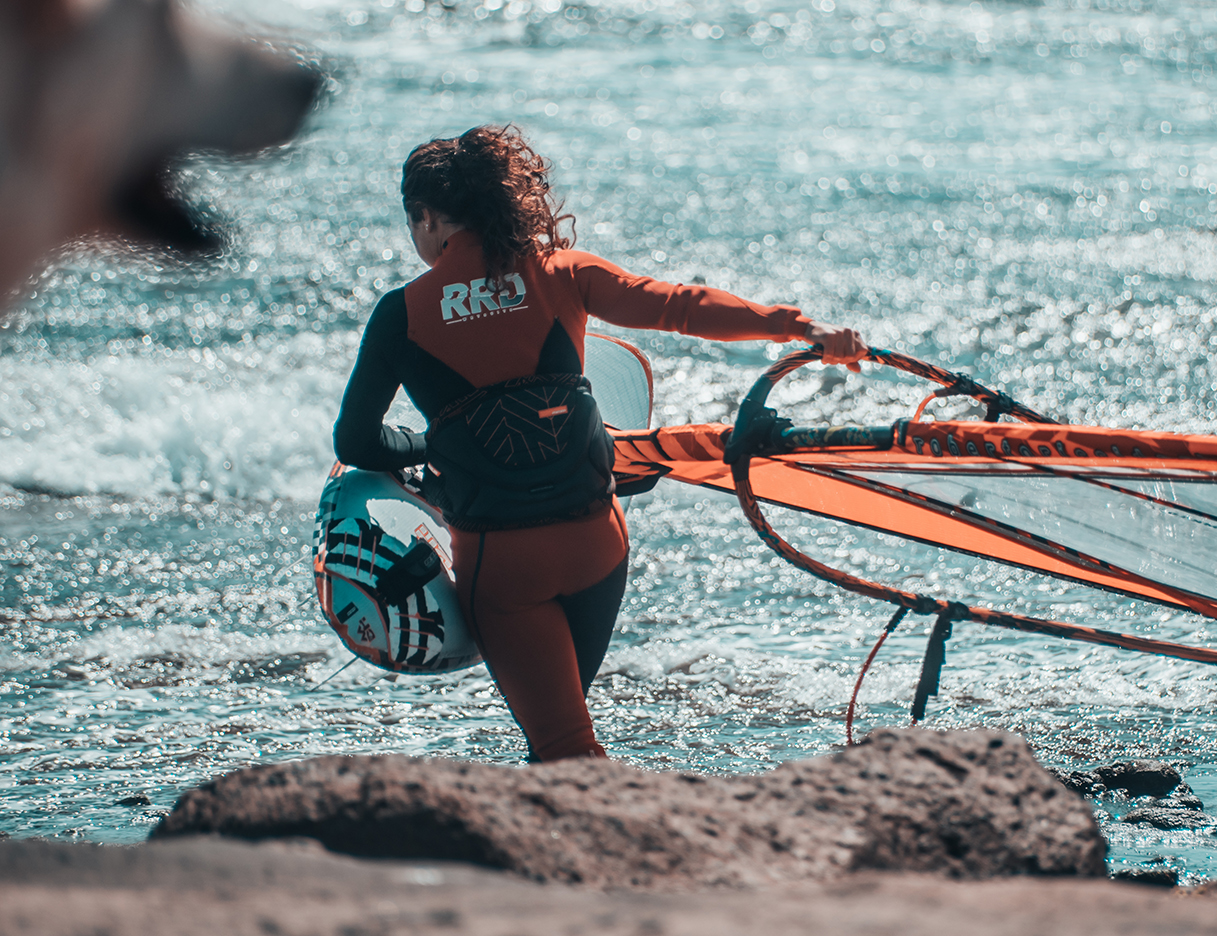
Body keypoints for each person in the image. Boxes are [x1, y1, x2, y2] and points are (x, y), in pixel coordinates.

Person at [333, 124, 867, 762]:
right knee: (562, 738)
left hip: (505, 564)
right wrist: (802, 327)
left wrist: (429, 445)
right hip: (597, 548)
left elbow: (356, 442)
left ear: (425, 218)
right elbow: (679, 307)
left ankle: (627, 824)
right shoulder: (561, 272)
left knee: (564, 748)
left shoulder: (401, 313)